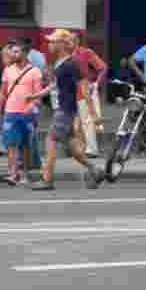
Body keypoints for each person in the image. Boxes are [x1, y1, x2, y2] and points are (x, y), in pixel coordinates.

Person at [28, 30, 105, 190]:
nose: (49, 45)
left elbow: (84, 89)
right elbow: (55, 84)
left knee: (51, 139)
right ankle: (95, 169)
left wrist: (94, 114)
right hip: (64, 110)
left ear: (61, 44)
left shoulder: (72, 64)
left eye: (52, 42)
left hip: (66, 110)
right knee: (71, 147)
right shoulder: (60, 62)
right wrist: (36, 95)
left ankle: (47, 179)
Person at [0, 41, 43, 186]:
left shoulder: (34, 71)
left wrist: (32, 105)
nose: (13, 54)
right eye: (12, 51)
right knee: (11, 144)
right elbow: (3, 93)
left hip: (27, 114)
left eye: (16, 51)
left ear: (24, 53)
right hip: (10, 112)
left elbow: (38, 95)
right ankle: (12, 173)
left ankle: (24, 174)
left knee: (26, 145)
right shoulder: (7, 70)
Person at [71, 33, 107, 157]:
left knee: (88, 122)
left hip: (85, 91)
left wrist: (96, 83)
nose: (70, 43)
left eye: (72, 40)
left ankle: (92, 149)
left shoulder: (86, 53)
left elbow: (103, 67)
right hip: (71, 92)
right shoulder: (65, 56)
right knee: (76, 124)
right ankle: (80, 148)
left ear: (77, 41)